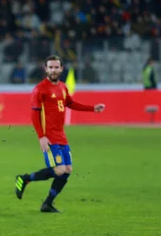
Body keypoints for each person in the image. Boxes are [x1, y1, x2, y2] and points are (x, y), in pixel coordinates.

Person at [15, 55, 105, 213]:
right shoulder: (40, 89)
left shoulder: (63, 87)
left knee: (67, 170)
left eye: (56, 67)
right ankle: (24, 179)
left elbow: (70, 103)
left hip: (61, 136)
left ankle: (47, 203)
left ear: (61, 69)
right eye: (50, 67)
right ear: (46, 69)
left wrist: (92, 108)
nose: (53, 70)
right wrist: (41, 136)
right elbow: (34, 115)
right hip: (49, 136)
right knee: (59, 170)